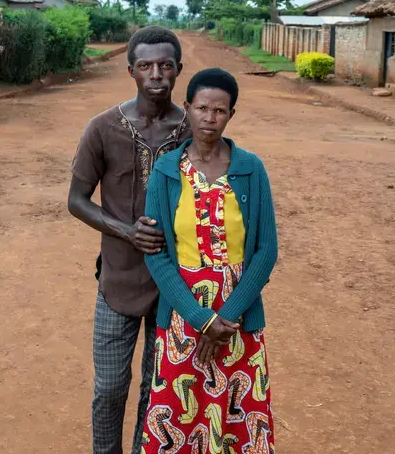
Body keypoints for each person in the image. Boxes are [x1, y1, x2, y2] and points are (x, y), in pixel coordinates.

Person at [140, 68, 278, 453]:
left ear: (231, 114)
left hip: (238, 318)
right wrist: (203, 321)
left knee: (238, 420)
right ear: (187, 109)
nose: (209, 118)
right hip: (183, 316)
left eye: (219, 110)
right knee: (178, 415)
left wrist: (225, 319)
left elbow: (266, 251)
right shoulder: (166, 172)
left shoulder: (251, 169)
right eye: (201, 108)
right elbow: (158, 255)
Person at [68, 26, 191, 454]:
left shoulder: (195, 131)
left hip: (175, 287)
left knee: (157, 390)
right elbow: (76, 200)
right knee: (109, 390)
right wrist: (125, 230)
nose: (156, 74)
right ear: (130, 71)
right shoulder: (102, 128)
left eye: (165, 65)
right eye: (145, 66)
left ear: (178, 70)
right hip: (116, 283)